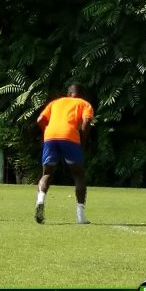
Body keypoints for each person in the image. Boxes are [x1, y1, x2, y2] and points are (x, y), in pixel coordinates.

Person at [35, 84, 94, 224]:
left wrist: (47, 132)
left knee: (46, 173)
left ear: (68, 94)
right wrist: (83, 141)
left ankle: (40, 200)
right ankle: (80, 216)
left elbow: (40, 120)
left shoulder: (55, 102)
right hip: (70, 136)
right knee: (78, 175)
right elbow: (86, 122)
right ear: (81, 94)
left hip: (50, 136)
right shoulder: (84, 104)